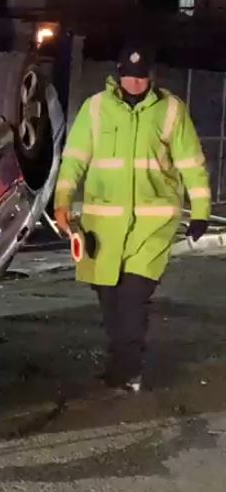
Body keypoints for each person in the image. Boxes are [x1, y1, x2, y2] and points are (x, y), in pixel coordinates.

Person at [54, 41, 211, 392]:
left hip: (151, 225)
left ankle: (129, 370)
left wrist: (201, 211)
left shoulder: (171, 110)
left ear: (151, 76)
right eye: (129, 76)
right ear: (118, 75)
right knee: (109, 298)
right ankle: (120, 362)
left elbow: (191, 164)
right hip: (103, 226)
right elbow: (74, 159)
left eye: (141, 77)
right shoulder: (95, 108)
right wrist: (61, 202)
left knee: (133, 297)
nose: (135, 83)